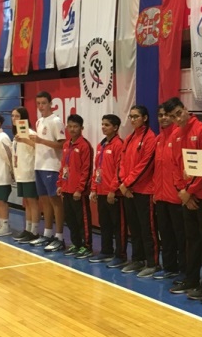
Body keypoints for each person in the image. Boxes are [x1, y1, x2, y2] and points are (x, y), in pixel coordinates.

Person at [165, 97, 202, 297]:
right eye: (172, 117)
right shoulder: (175, 134)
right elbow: (176, 167)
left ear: (185, 109)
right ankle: (191, 279)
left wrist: (190, 191)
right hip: (186, 197)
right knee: (190, 240)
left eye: (179, 113)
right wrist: (183, 192)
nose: (178, 119)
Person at [119, 105, 158, 276]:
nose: (133, 119)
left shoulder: (150, 138)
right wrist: (123, 183)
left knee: (147, 229)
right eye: (131, 117)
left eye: (136, 116)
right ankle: (137, 259)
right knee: (134, 228)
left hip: (144, 191)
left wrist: (127, 183)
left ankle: (152, 263)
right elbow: (122, 162)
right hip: (128, 190)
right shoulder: (129, 138)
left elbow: (145, 165)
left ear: (145, 118)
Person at [152, 104, 185, 280]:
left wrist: (182, 190)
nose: (163, 118)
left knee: (181, 236)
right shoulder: (158, 139)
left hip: (176, 196)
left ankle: (184, 271)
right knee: (165, 234)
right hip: (161, 196)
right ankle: (169, 267)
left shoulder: (179, 135)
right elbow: (157, 169)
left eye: (166, 115)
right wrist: (156, 192)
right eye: (160, 115)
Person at [30, 91, 66, 250]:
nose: (41, 106)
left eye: (44, 103)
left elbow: (62, 145)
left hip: (52, 166)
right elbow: (39, 144)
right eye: (38, 103)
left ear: (51, 104)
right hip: (39, 165)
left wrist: (41, 140)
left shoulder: (56, 121)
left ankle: (59, 236)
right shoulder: (39, 121)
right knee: (44, 201)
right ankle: (47, 233)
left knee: (55, 202)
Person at [88, 114, 125, 264]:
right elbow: (97, 168)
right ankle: (106, 251)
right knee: (105, 224)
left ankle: (120, 255)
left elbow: (119, 170)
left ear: (115, 128)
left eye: (107, 125)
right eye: (102, 124)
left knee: (118, 225)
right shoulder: (100, 145)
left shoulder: (119, 145)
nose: (103, 127)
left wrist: (112, 190)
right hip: (101, 191)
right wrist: (94, 188)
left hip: (113, 193)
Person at [57, 114, 93, 258]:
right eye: (70, 126)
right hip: (66, 189)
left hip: (78, 192)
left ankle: (87, 246)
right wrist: (60, 184)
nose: (72, 129)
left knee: (82, 220)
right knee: (70, 219)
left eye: (76, 127)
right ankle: (76, 244)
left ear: (81, 128)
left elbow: (86, 170)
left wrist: (80, 189)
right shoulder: (66, 145)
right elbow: (63, 167)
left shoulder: (85, 145)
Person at [11, 107, 41, 244]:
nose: (14, 119)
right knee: (27, 202)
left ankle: (34, 231)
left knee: (32, 202)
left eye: (17, 116)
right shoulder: (16, 135)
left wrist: (25, 140)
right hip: (20, 173)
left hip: (29, 173)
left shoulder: (31, 133)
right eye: (12, 116)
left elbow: (39, 148)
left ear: (24, 118)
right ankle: (28, 229)